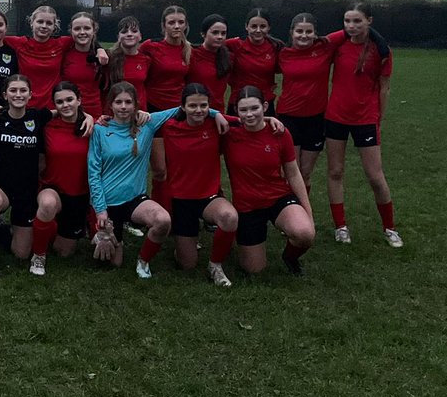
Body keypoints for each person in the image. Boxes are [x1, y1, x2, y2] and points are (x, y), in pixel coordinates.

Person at [325, 2, 402, 248]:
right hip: (335, 116)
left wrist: (379, 117)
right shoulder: (339, 44)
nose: (351, 26)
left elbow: (384, 86)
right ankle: (341, 227)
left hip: (366, 119)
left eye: (357, 21)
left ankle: (390, 228)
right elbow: (319, 42)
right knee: (335, 172)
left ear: (369, 20)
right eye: (347, 21)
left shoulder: (381, 50)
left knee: (375, 176)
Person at [87, 82, 182, 276]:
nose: (123, 107)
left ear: (135, 104)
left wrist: (217, 115)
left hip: (134, 200)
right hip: (107, 203)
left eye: (128, 102)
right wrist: (100, 211)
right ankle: (105, 234)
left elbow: (185, 107)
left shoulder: (148, 124)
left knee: (163, 220)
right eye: (118, 102)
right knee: (112, 263)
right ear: (110, 105)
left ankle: (143, 261)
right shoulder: (100, 129)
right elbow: (93, 173)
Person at [223, 87, 315, 276]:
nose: (249, 114)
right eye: (243, 110)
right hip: (247, 205)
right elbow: (200, 114)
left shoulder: (280, 132)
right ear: (236, 111)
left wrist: (308, 213)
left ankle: (290, 257)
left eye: (254, 108)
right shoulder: (228, 133)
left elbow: (293, 173)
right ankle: (237, 235)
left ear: (265, 106)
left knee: (304, 233)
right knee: (255, 270)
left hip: (277, 197)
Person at [156, 83, 239, 287]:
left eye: (203, 105)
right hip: (180, 200)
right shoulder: (168, 127)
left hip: (208, 197)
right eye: (192, 106)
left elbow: (249, 121)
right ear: (182, 107)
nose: (199, 110)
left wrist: (270, 119)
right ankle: (182, 246)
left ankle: (215, 265)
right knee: (188, 265)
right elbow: (139, 121)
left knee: (229, 217)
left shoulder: (214, 123)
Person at [0, 74, 54, 275]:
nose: (18, 94)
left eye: (23, 91)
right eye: (13, 90)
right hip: (0, 184)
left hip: (26, 191)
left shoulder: (38, 117)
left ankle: (2, 231)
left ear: (31, 95)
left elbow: (66, 111)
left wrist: (88, 116)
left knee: (21, 254)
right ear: (5, 94)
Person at [0, 5, 107, 110]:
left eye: (49, 23)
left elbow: (84, 37)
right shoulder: (20, 43)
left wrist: (99, 49)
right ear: (32, 23)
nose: (44, 26)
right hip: (24, 106)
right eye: (40, 21)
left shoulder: (62, 43)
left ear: (55, 26)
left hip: (53, 108)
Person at [29, 81, 93, 277]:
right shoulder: (46, 126)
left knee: (64, 252)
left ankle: (54, 227)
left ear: (79, 100)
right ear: (54, 106)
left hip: (79, 194)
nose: (65, 105)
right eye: (59, 102)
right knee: (47, 204)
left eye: (69, 100)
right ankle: (38, 256)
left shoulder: (92, 127)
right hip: (52, 188)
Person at [276, 13, 344, 192]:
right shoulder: (282, 53)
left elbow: (354, 27)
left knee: (305, 172)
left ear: (315, 34)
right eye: (299, 31)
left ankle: (304, 210)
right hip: (289, 117)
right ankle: (291, 212)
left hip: (316, 118)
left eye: (308, 31)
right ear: (291, 32)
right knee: (291, 171)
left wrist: (382, 46)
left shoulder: (325, 48)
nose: (303, 35)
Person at [140, 5, 191, 212]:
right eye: (171, 22)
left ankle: (175, 210)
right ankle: (158, 211)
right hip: (154, 113)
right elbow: (126, 53)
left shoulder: (188, 50)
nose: (176, 26)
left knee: (178, 168)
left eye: (180, 22)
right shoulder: (151, 47)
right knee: (160, 169)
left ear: (186, 25)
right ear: (164, 26)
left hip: (178, 114)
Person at [225, 8, 282, 114]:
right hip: (238, 103)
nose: (258, 30)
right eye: (254, 26)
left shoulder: (275, 47)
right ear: (246, 27)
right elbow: (212, 46)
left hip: (265, 103)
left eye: (263, 26)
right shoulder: (234, 45)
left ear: (269, 27)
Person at [60, 12, 107, 118]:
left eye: (87, 28)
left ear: (94, 30)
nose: (82, 32)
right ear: (71, 31)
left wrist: (99, 49)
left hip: (95, 112)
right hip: (68, 112)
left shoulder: (103, 57)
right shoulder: (63, 53)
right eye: (77, 29)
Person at [186, 14, 232, 113]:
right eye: (215, 33)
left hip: (218, 113)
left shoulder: (228, 57)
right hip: (194, 112)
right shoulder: (191, 54)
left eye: (223, 33)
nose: (219, 37)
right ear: (203, 33)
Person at [107, 16, 150, 111]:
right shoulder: (109, 59)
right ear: (118, 37)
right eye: (124, 32)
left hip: (140, 113)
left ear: (140, 36)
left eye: (134, 31)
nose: (129, 34)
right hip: (116, 113)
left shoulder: (146, 59)